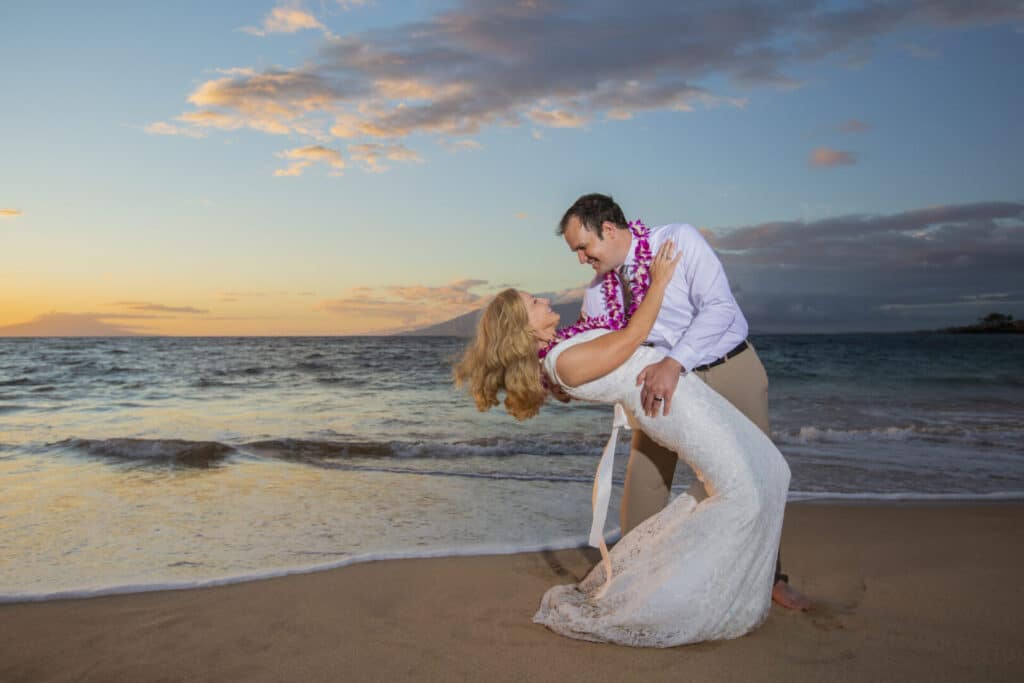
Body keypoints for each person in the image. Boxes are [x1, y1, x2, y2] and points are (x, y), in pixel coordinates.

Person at [453, 241, 791, 647]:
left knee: (767, 471)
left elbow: (612, 332)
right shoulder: (562, 362)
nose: (544, 299)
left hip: (679, 394)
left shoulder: (560, 352)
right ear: (523, 326)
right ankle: (688, 601)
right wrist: (659, 281)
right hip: (673, 407)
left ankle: (703, 582)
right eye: (534, 301)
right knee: (743, 495)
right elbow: (633, 336)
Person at [558, 193, 809, 611]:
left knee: (757, 470)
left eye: (584, 247)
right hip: (660, 380)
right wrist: (566, 383)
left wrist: (675, 363)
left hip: (727, 365)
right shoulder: (597, 295)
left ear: (610, 229)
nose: (581, 258)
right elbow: (600, 349)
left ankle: (770, 577)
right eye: (575, 252)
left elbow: (720, 309)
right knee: (646, 473)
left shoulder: (678, 242)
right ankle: (628, 577)